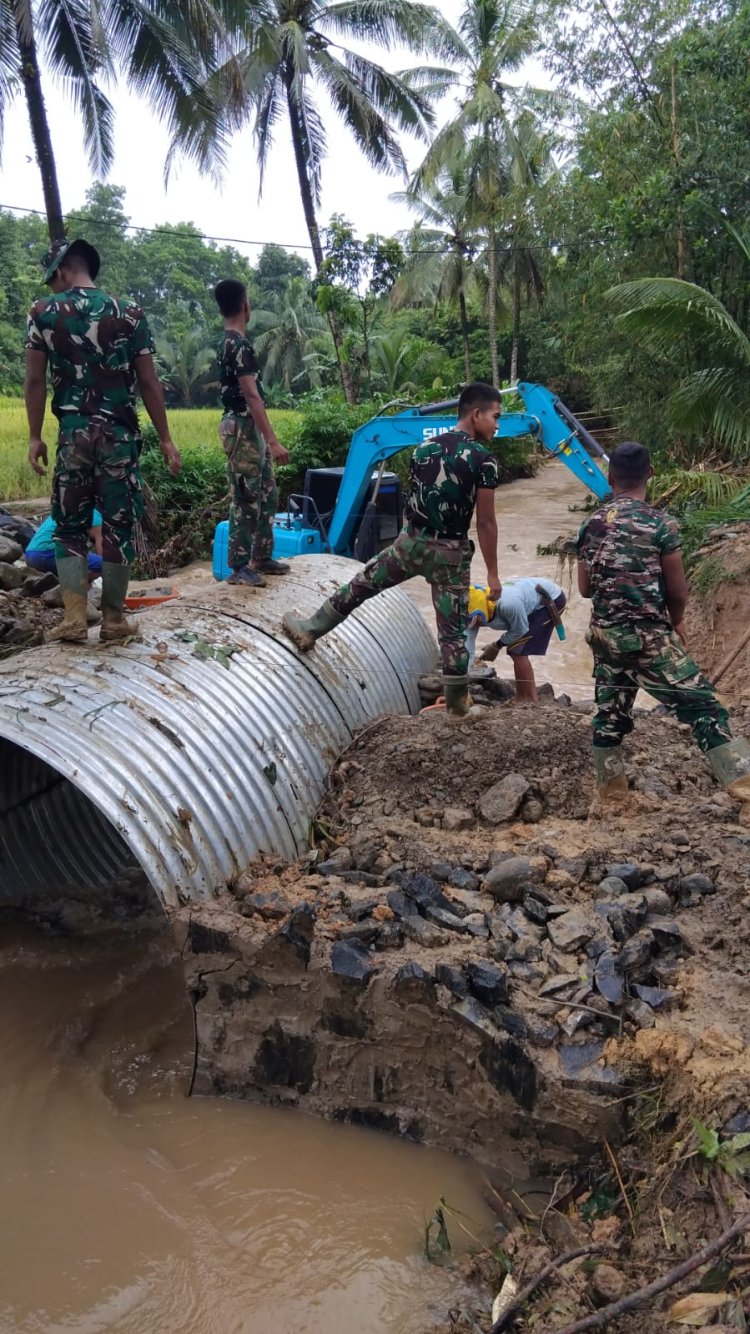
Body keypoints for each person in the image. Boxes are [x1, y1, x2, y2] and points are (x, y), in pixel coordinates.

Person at [282, 381, 503, 718]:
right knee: (453, 632)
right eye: (495, 417)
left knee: (361, 584)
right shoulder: (484, 460)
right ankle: (458, 708)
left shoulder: (422, 449)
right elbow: (486, 523)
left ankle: (310, 629)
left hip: (411, 544)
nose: (497, 425)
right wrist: (492, 573)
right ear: (476, 414)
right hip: (451, 555)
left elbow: (410, 503)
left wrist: (408, 540)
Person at [24, 236, 181, 644]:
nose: (52, 286)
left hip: (73, 435)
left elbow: (34, 380)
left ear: (61, 269)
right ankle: (113, 621)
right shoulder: (129, 312)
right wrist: (165, 438)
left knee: (69, 526)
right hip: (119, 437)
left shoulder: (43, 312)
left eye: (52, 278)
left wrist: (34, 436)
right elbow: (149, 381)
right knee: (117, 526)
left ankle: (75, 618)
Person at [577, 440, 750, 803]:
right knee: (706, 708)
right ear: (650, 475)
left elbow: (584, 589)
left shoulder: (589, 525)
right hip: (647, 639)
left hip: (604, 637)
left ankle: (611, 796)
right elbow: (678, 591)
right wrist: (678, 622)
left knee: (609, 717)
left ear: (609, 478)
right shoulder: (660, 524)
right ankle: (744, 790)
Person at [214, 279, 290, 587]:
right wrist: (272, 440)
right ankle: (239, 566)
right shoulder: (239, 346)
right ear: (246, 307)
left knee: (268, 493)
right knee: (246, 496)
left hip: (247, 428)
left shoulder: (226, 343)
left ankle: (261, 556)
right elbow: (252, 395)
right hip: (243, 427)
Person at [466, 576, 566, 702]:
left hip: (550, 599)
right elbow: (467, 647)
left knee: (517, 650)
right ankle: (530, 696)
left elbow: (520, 630)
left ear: (483, 612)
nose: (475, 625)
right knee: (516, 649)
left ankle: (526, 699)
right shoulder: (472, 612)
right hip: (526, 599)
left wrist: (497, 645)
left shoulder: (507, 605)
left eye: (477, 621)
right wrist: (461, 679)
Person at [25, 509, 103, 580]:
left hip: (29, 555)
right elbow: (102, 549)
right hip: (48, 552)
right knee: (109, 565)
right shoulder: (94, 515)